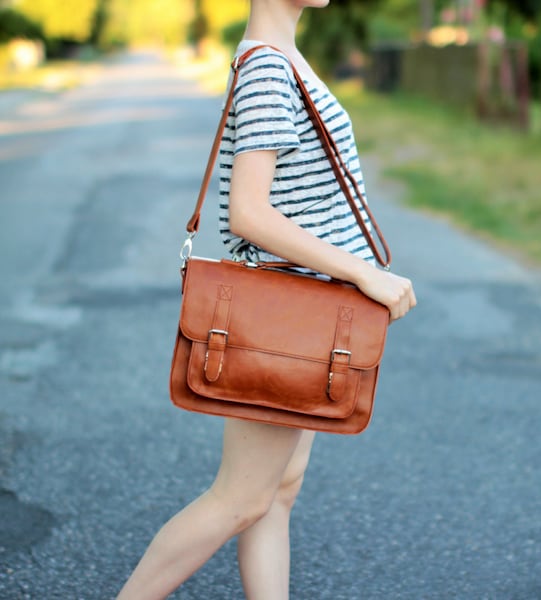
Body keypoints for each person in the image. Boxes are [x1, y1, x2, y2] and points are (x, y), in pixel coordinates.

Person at [116, 0, 416, 598]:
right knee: (240, 497)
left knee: (276, 493)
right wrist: (364, 272)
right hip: (287, 319)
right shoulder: (267, 69)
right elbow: (249, 213)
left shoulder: (282, 59)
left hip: (310, 317)